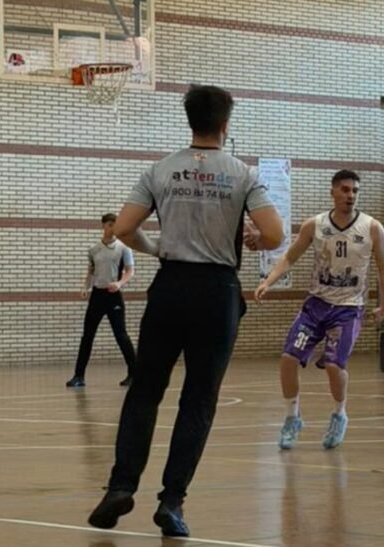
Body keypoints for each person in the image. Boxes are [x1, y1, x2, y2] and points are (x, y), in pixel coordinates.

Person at [86, 84, 284, 537]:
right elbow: (274, 234)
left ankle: (120, 485)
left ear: (189, 120)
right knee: (198, 399)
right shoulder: (242, 174)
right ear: (226, 124)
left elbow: (124, 229)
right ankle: (172, 502)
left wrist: (158, 247)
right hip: (217, 294)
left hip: (170, 288)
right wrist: (254, 239)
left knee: (145, 390)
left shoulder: (160, 170)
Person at [256, 169, 384, 450]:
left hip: (348, 308)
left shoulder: (372, 228)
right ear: (332, 192)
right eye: (344, 190)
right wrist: (268, 280)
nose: (350, 195)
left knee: (333, 365)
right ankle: (292, 418)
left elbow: (383, 268)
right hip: (316, 305)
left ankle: (339, 414)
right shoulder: (314, 225)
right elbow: (290, 256)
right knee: (288, 358)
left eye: (354, 190)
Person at [66, 213, 137, 388]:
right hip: (97, 296)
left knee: (121, 335)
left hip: (113, 296)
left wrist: (120, 283)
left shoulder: (124, 248)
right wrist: (85, 287)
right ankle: (78, 376)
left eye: (116, 225)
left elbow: (130, 270)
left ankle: (135, 374)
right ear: (104, 226)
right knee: (87, 336)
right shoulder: (93, 250)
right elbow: (91, 271)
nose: (113, 228)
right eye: (110, 224)